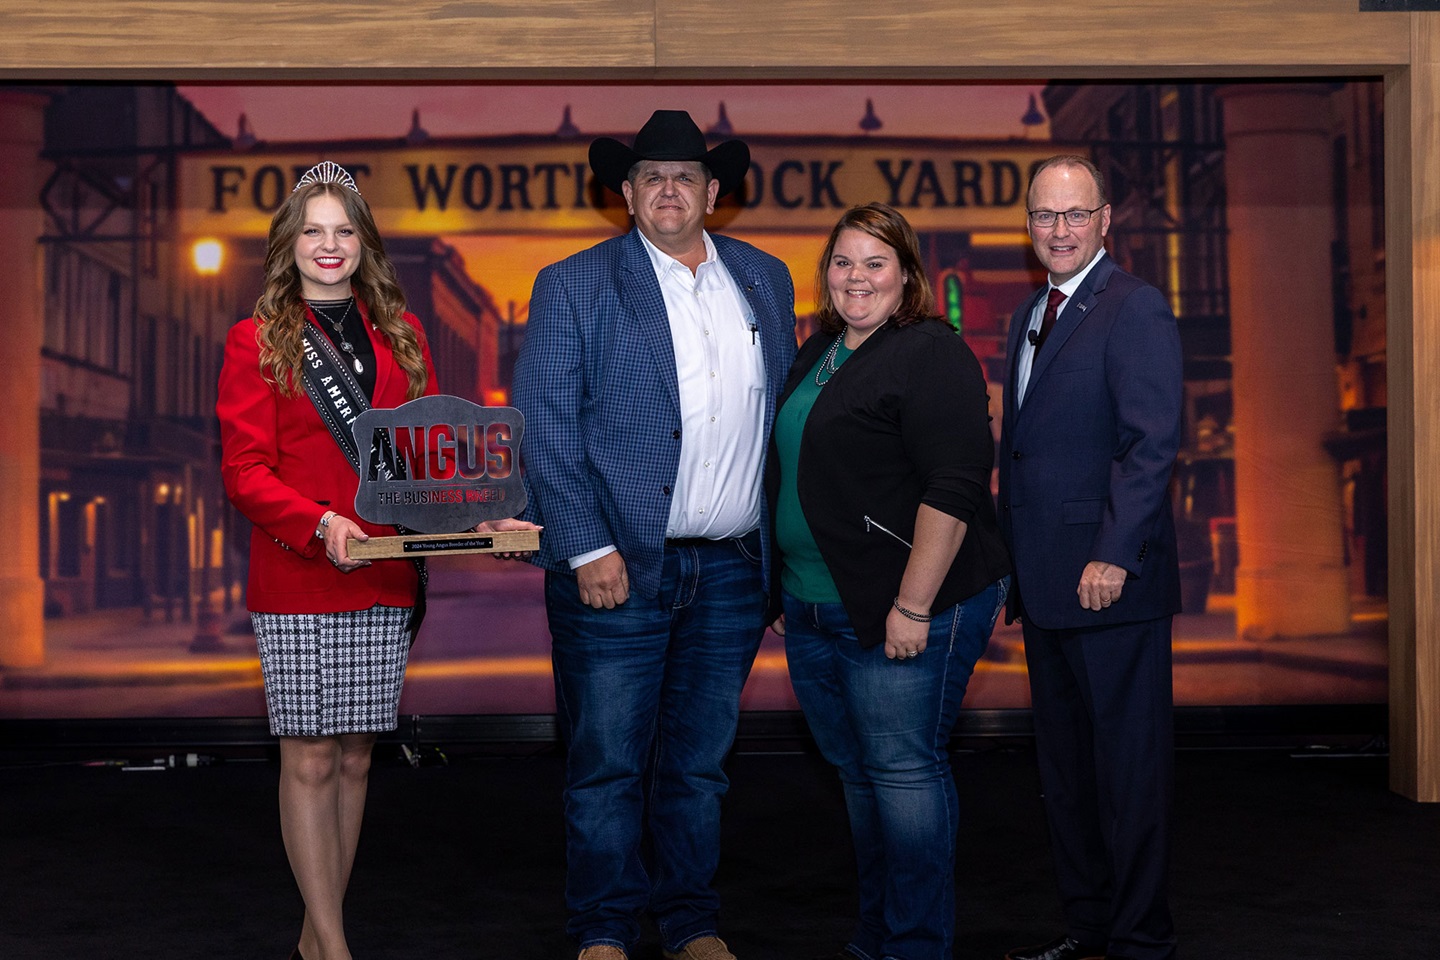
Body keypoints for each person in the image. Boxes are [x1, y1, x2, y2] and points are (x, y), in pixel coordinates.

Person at [217, 161, 533, 960]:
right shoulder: (255, 338)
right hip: (299, 570)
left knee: (357, 755)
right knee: (310, 755)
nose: (330, 246)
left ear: (364, 243)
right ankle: (334, 943)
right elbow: (244, 470)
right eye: (314, 231)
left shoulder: (402, 334)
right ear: (289, 245)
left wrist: (475, 509)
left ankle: (314, 937)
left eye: (345, 230)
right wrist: (316, 522)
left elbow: (417, 459)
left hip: (385, 569)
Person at [512, 110, 797, 960]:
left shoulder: (767, 279)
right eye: (650, 177)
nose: (669, 189)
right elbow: (547, 427)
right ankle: (603, 929)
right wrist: (585, 545)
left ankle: (690, 922)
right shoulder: (574, 283)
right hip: (617, 569)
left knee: (700, 766)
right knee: (606, 767)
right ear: (626, 194)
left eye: (686, 176)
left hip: (735, 570)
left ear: (714, 192)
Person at [766, 203, 1011, 960]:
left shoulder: (929, 350)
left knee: (902, 776)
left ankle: (915, 947)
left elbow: (956, 482)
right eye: (843, 262)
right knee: (862, 778)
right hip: (814, 608)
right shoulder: (821, 351)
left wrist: (913, 603)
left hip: (904, 606)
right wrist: (786, 590)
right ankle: (877, 941)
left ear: (907, 275)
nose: (856, 277)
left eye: (875, 262)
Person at [997, 156, 1183, 960]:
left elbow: (1151, 447)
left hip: (1111, 587)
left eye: (1075, 215)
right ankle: (1088, 928)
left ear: (1107, 220)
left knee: (1128, 779)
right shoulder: (1028, 313)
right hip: (1045, 587)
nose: (1059, 230)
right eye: (1045, 216)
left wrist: (1114, 554)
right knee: (1067, 778)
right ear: (1029, 224)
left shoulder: (1134, 307)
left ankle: (1140, 942)